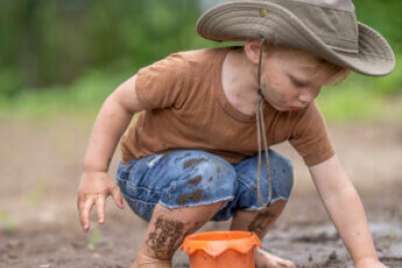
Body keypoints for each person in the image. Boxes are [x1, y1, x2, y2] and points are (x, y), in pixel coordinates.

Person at [77, 0, 396, 267]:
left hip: (219, 183)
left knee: (276, 173)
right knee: (209, 173)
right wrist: (94, 170)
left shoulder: (299, 112)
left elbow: (336, 186)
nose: (307, 97)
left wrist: (366, 259)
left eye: (318, 89)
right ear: (256, 50)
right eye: (299, 82)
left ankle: (241, 250)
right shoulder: (184, 74)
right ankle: (152, 256)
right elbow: (119, 101)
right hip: (148, 178)